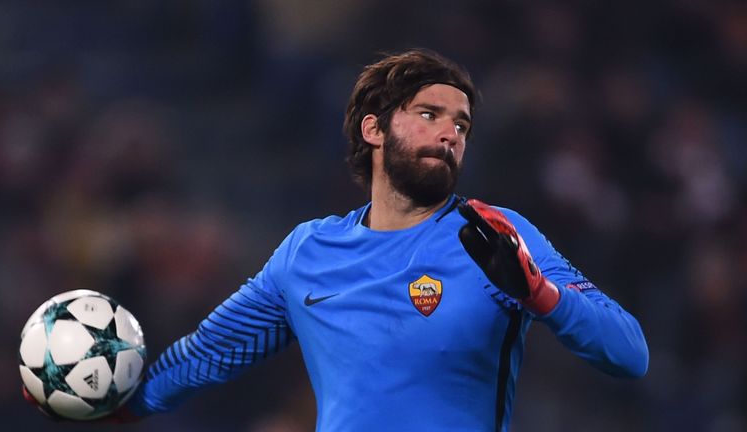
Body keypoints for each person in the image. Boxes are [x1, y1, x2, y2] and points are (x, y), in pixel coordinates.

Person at [118, 49, 651, 430]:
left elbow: (630, 353)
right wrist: (110, 405)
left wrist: (542, 294)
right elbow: (203, 356)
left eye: (461, 126)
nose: (450, 134)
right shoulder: (306, 253)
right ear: (374, 130)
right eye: (429, 115)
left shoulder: (493, 236)